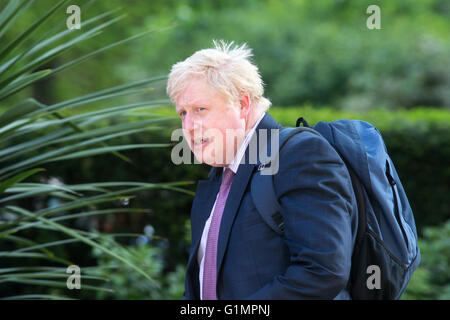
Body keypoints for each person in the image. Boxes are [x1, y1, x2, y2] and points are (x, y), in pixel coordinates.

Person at [166, 40, 358, 300]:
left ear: (243, 104)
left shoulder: (299, 154)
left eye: (200, 109)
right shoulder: (222, 175)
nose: (188, 126)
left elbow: (323, 271)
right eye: (183, 113)